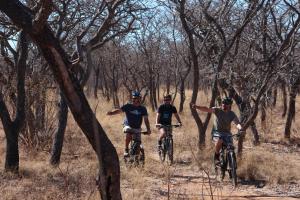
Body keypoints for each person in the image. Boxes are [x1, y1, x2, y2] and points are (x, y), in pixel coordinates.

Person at [191, 97, 242, 163]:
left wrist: (240, 129)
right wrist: (197, 107)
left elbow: (237, 123)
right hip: (216, 132)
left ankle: (231, 163)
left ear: (230, 105)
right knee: (220, 140)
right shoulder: (217, 110)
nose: (223, 104)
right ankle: (217, 155)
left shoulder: (231, 114)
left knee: (231, 147)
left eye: (226, 103)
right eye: (223, 102)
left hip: (227, 133)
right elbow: (207, 109)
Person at [107, 91, 151, 156]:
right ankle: (126, 149)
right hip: (128, 125)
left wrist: (148, 130)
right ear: (132, 99)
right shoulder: (128, 106)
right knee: (129, 133)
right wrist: (111, 113)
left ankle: (137, 161)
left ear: (140, 99)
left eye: (138, 99)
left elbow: (146, 120)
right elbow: (119, 111)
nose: (136, 101)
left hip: (137, 128)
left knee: (138, 143)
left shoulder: (143, 109)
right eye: (134, 99)